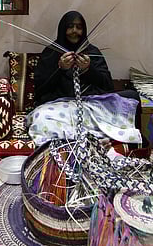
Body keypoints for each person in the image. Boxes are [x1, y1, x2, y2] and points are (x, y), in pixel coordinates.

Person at [29, 11, 142, 147]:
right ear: (63, 29)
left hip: (90, 105)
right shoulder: (51, 52)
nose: (74, 31)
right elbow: (41, 89)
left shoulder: (92, 52)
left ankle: (100, 139)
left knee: (132, 97)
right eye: (70, 26)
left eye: (79, 27)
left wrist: (89, 69)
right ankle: (86, 140)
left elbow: (107, 86)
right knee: (42, 118)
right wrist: (60, 68)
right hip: (59, 107)